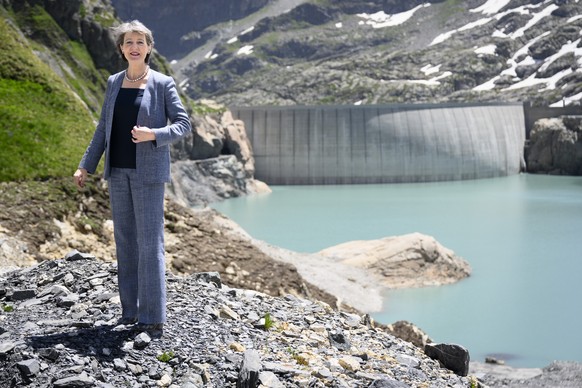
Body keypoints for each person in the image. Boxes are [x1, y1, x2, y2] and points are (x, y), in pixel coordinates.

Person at [73, 20, 192, 332]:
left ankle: (153, 316)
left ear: (149, 48)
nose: (135, 47)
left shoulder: (163, 83)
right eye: (129, 42)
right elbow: (103, 129)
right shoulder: (114, 82)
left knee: (150, 244)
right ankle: (130, 312)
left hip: (148, 173)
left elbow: (182, 124)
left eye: (140, 42)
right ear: (122, 49)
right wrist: (86, 165)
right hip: (118, 172)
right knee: (125, 241)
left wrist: (153, 133)